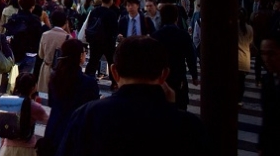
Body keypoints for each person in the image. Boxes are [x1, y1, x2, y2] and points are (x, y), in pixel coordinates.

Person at [56, 36, 208, 156]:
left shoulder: (87, 116)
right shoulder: (189, 126)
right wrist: (170, 110)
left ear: (114, 72)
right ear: (164, 75)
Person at [39, 39, 99, 156]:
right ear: (80, 56)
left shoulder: (55, 78)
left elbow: (52, 103)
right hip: (76, 133)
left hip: (54, 129)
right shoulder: (88, 83)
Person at [149, 4, 199, 110]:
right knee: (180, 105)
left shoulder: (156, 36)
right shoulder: (183, 35)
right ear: (177, 17)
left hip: (161, 76)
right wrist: (194, 75)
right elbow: (191, 56)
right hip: (178, 74)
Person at [0, 73, 49, 156]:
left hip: (8, 148)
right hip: (27, 148)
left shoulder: (10, 102)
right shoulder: (33, 106)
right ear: (33, 88)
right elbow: (50, 121)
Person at [37, 11, 71, 94]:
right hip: (62, 71)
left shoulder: (45, 35)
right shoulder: (68, 37)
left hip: (46, 68)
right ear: (65, 22)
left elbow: (41, 55)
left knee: (44, 95)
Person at [238, 12, 254, 107]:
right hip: (245, 57)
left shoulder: (234, 26)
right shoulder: (249, 28)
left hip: (235, 58)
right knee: (241, 82)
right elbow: (250, 42)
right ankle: (239, 100)